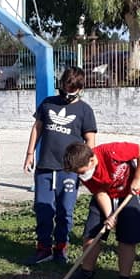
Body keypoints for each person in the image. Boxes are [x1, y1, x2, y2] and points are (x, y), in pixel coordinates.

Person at [23, 66, 97, 265]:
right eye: (65, 89)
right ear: (61, 84)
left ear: (80, 89)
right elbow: (37, 128)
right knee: (43, 208)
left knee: (65, 210)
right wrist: (30, 153)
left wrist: (87, 164)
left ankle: (61, 247)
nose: (67, 94)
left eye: (72, 91)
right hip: (45, 166)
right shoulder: (48, 104)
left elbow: (90, 139)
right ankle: (43, 247)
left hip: (69, 170)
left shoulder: (85, 110)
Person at [62, 141, 140, 279]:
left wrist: (137, 178)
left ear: (92, 160)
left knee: (127, 239)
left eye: (82, 172)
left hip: (130, 191)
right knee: (91, 234)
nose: (82, 176)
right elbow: (100, 192)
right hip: (106, 194)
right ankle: (86, 274)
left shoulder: (113, 151)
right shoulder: (83, 171)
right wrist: (110, 215)